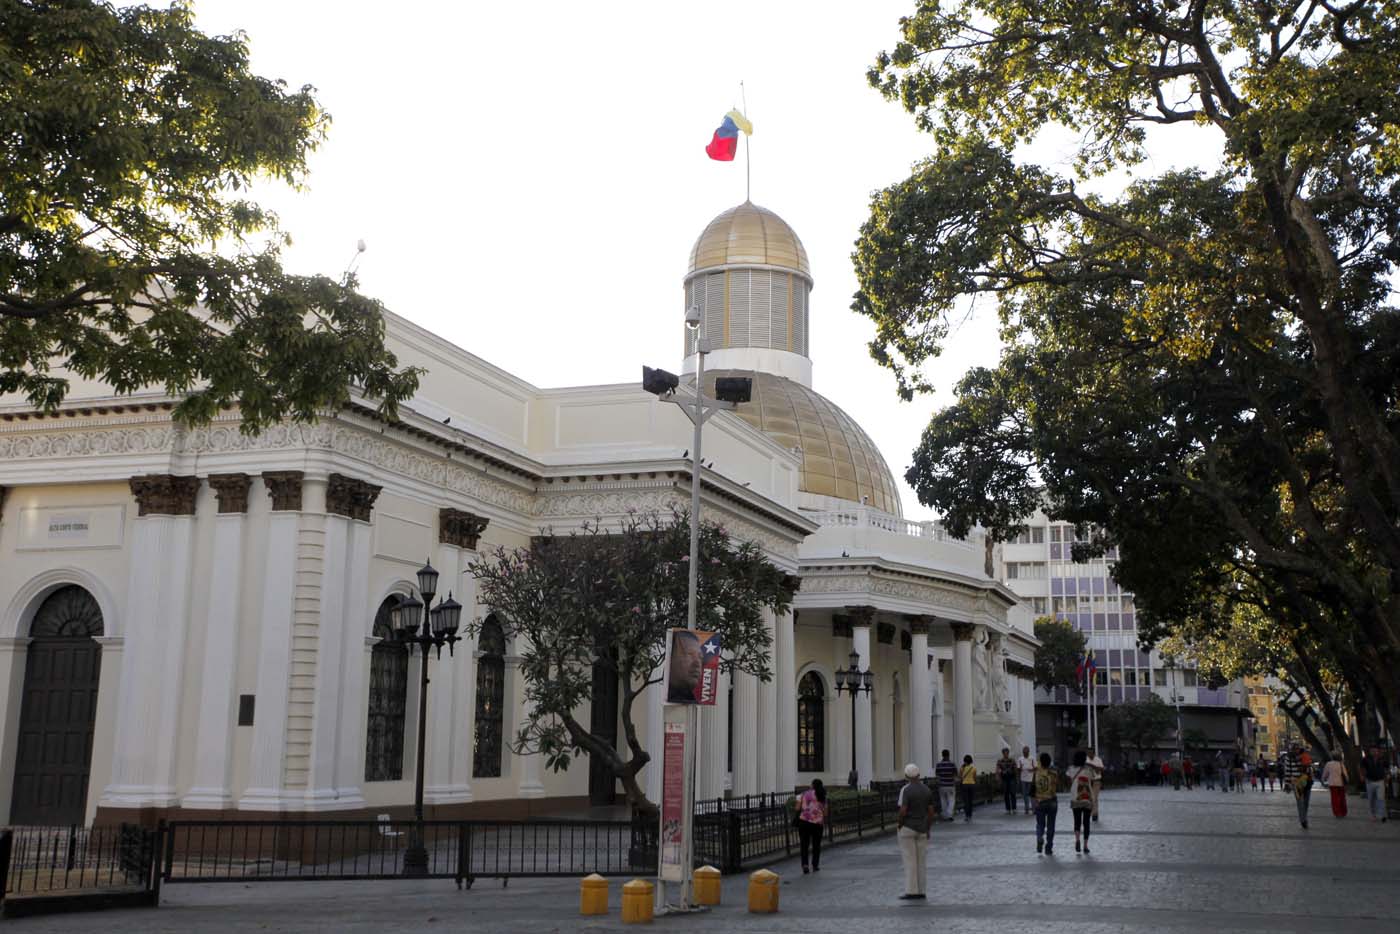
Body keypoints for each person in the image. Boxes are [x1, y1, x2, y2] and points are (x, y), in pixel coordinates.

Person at [896, 764, 935, 900]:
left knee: (909, 860)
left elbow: (903, 810)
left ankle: (911, 890)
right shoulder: (927, 790)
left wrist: (900, 824)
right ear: (919, 775)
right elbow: (931, 812)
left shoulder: (906, 790)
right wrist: (928, 828)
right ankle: (922, 889)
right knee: (921, 861)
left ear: (906, 776)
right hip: (922, 828)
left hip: (908, 827)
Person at [794, 778, 829, 874]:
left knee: (804, 844)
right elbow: (825, 813)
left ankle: (805, 865)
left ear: (812, 785)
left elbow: (797, 807)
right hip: (817, 823)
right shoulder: (823, 796)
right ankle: (815, 865)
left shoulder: (804, 794)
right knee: (816, 845)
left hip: (804, 822)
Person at [1066, 750, 1095, 854]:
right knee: (1086, 823)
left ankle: (1077, 840)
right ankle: (1086, 845)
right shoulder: (1089, 769)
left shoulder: (1071, 769)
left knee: (1077, 821)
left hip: (1075, 798)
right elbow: (1091, 780)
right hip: (1087, 798)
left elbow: (1069, 780)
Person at [665, 630, 704, 703]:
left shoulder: (693, 699)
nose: (697, 663)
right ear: (670, 657)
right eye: (689, 654)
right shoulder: (660, 693)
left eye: (700, 657)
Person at [1033, 751, 1059, 855]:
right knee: (1051, 825)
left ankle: (1039, 837)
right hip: (1052, 801)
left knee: (1040, 824)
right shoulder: (1054, 773)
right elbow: (1057, 784)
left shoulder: (1036, 773)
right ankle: (1049, 847)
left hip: (1040, 801)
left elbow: (1033, 787)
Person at [1363, 745, 1389, 823]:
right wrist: (1362, 776)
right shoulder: (1366, 759)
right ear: (1370, 751)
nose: (1374, 752)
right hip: (1370, 781)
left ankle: (1382, 815)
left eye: (1375, 751)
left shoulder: (1382, 759)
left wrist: (1386, 778)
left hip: (1380, 781)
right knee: (1371, 799)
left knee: (1381, 798)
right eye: (1372, 751)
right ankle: (1373, 815)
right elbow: (1361, 767)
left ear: (1378, 751)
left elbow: (1386, 768)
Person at [1322, 751, 1349, 818]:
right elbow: (1345, 774)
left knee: (1334, 799)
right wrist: (1347, 781)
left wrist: (1323, 780)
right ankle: (1343, 812)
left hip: (1332, 784)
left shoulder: (1329, 764)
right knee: (1342, 798)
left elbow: (1325, 773)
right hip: (1341, 783)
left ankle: (1337, 812)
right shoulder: (1341, 764)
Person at [933, 749, 958, 821]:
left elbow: (937, 775)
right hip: (950, 785)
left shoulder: (938, 764)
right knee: (951, 800)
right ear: (949, 755)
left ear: (942, 755)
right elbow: (955, 774)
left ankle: (944, 815)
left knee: (943, 800)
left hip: (942, 785)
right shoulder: (952, 764)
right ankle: (950, 814)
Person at [1291, 756, 1314, 829]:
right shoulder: (1294, 764)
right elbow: (1289, 774)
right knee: (1300, 803)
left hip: (1307, 786)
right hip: (1298, 786)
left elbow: (1312, 776)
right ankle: (1303, 820)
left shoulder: (1309, 767)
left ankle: (1304, 818)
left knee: (1306, 803)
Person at [997, 747, 1018, 813]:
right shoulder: (1000, 761)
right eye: (1004, 753)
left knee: (1013, 793)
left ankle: (1014, 808)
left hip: (1012, 778)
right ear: (1003, 753)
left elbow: (1015, 769)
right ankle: (1008, 809)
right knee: (1006, 793)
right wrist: (999, 777)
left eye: (1007, 752)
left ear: (1008, 753)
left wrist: (1016, 777)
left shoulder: (1012, 760)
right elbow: (998, 769)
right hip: (1004, 779)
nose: (1006, 754)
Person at [1086, 747, 1105, 821]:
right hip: (1087, 781)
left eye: (1091, 753)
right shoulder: (1085, 759)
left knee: (1094, 797)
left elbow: (1102, 769)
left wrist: (1092, 765)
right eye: (1088, 753)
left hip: (1096, 781)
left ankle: (1094, 814)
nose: (1089, 754)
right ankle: (1092, 812)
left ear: (1093, 753)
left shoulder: (1098, 760)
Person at [1017, 745, 1036, 815]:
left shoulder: (1032, 758)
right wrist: (1020, 768)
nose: (1025, 753)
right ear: (1023, 752)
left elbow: (1036, 768)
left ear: (1028, 752)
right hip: (1023, 779)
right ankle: (1026, 808)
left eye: (1026, 752)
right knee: (1025, 794)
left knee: (1031, 794)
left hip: (1030, 778)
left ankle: (1033, 808)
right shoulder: (1020, 759)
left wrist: (1032, 770)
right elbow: (1018, 769)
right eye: (1024, 752)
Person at [959, 754, 978, 822]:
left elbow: (960, 777)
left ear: (964, 761)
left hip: (964, 785)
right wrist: (975, 784)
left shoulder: (962, 768)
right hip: (972, 785)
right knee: (970, 801)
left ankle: (966, 816)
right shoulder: (974, 768)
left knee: (965, 801)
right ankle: (970, 815)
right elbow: (975, 778)